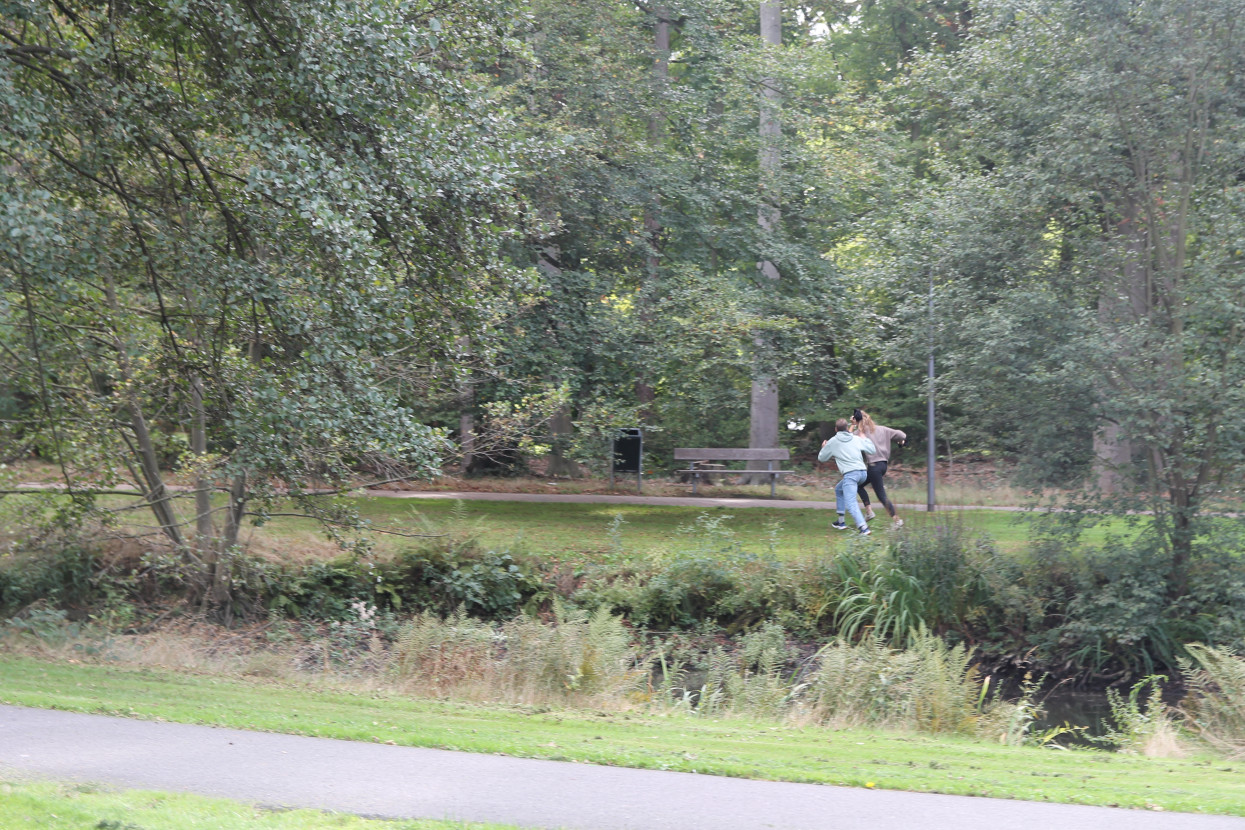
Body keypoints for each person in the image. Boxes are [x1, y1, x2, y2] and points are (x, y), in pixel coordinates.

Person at [818, 417, 876, 536]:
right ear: (846, 428)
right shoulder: (855, 439)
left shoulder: (833, 442)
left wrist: (824, 448)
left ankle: (864, 528)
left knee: (851, 502)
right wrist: (865, 439)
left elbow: (821, 458)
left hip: (851, 475)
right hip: (863, 473)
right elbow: (872, 449)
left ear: (836, 429)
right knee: (839, 489)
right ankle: (841, 522)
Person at [852, 408, 907, 528]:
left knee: (881, 495)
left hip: (874, 467)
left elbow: (846, 438)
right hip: (883, 466)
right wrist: (900, 443)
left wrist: (852, 425)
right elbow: (902, 435)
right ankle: (869, 512)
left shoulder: (860, 433)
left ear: (857, 421)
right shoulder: (883, 429)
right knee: (858, 485)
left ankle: (897, 521)